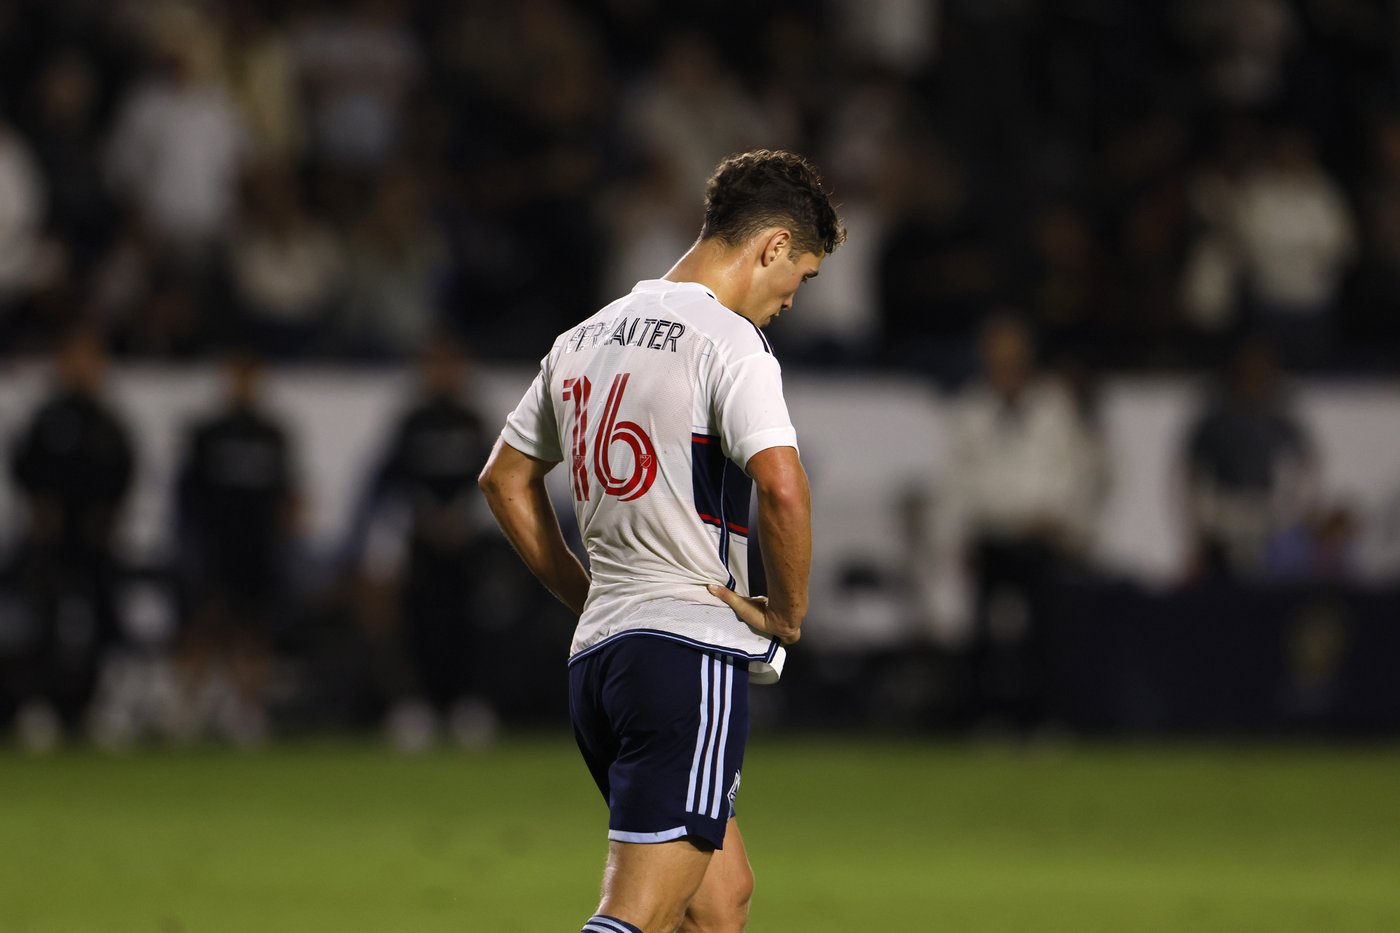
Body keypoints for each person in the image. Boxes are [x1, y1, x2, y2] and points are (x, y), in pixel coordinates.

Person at [478, 149, 842, 933]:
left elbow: (504, 479)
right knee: (636, 916)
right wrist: (787, 613)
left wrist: (587, 592)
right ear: (774, 245)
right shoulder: (729, 342)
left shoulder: (585, 335)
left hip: (602, 660)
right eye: (802, 276)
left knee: (719, 899)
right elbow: (782, 487)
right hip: (685, 652)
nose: (791, 299)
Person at [346, 337, 495, 749]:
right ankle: (417, 706)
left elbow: (495, 477)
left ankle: (466, 705)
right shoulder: (412, 423)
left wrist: (464, 518)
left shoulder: (472, 421)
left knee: (466, 623)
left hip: (465, 541)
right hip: (421, 540)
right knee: (420, 623)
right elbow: (386, 481)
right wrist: (423, 519)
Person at [8, 327, 134, 750]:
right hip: (52, 539)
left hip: (94, 541)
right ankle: (36, 707)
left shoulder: (109, 421)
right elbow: (24, 465)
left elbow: (124, 473)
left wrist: (110, 515)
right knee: (41, 625)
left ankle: (90, 708)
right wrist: (38, 506)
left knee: (102, 625)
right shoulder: (49, 417)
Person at [169, 352, 298, 744]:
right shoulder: (207, 434)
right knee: (201, 625)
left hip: (256, 547)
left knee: (253, 631)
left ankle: (247, 712)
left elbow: (284, 494)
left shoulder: (272, 435)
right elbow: (186, 496)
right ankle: (186, 712)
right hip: (213, 546)